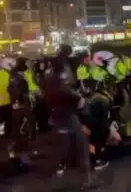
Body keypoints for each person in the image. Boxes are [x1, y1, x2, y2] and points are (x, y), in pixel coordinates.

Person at [43, 44, 92, 188]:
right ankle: (87, 180)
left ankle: (50, 176)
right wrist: (78, 99)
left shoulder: (51, 69)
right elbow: (64, 89)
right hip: (66, 111)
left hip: (58, 111)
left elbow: (50, 90)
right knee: (82, 143)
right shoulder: (62, 67)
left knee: (63, 146)